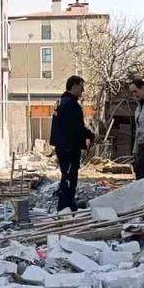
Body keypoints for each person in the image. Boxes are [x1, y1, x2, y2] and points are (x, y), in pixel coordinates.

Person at [49, 75, 94, 213]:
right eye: (81, 87)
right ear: (74, 86)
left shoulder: (61, 102)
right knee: (69, 178)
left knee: (67, 176)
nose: (83, 90)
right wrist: (91, 135)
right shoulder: (71, 104)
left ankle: (69, 205)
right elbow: (76, 127)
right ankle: (65, 208)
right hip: (69, 147)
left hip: (62, 146)